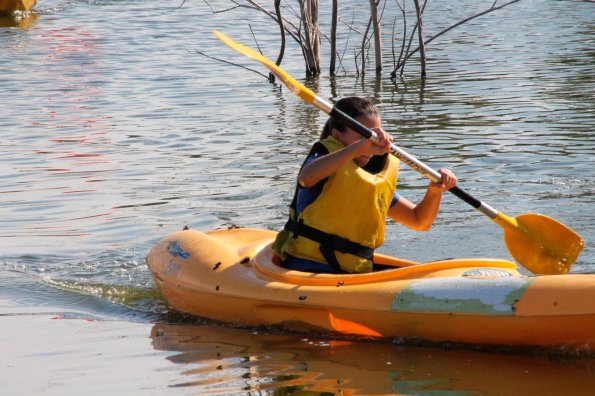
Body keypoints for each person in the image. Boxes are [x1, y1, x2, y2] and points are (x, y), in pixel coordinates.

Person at [272, 96, 457, 274]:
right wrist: (357, 149)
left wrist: (434, 191)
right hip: (307, 266)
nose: (371, 143)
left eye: (375, 136)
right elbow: (305, 178)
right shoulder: (321, 161)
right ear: (336, 136)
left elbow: (419, 221)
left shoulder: (369, 181)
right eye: (363, 136)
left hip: (354, 272)